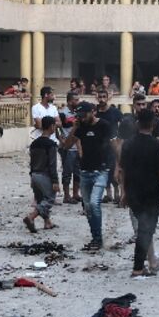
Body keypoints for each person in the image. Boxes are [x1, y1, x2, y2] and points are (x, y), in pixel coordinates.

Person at [118, 108, 159, 277]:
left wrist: (123, 192)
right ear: (153, 124)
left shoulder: (128, 144)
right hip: (150, 193)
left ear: (137, 124)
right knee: (146, 231)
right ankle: (138, 268)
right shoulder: (155, 145)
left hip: (133, 192)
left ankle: (141, 265)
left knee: (144, 230)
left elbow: (123, 170)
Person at [60, 101, 112, 251]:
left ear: (93, 112)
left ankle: (98, 238)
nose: (82, 118)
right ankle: (96, 237)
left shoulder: (104, 125)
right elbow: (67, 146)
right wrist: (75, 127)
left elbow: (114, 145)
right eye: (79, 116)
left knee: (95, 203)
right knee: (88, 207)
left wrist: (118, 167)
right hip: (84, 172)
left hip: (101, 171)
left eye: (84, 115)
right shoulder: (81, 126)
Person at [23, 115, 60, 233]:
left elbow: (31, 162)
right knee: (49, 199)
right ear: (52, 127)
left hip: (34, 175)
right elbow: (52, 164)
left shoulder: (34, 144)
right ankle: (31, 217)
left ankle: (47, 222)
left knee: (40, 200)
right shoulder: (51, 144)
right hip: (45, 175)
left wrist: (31, 176)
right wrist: (55, 181)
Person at [95, 92, 122, 202]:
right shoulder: (95, 112)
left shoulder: (115, 112)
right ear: (97, 98)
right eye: (100, 97)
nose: (102, 99)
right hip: (100, 144)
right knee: (103, 168)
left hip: (113, 143)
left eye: (104, 97)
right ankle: (108, 193)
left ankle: (116, 192)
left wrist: (120, 139)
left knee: (114, 167)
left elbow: (123, 124)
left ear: (107, 98)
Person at [58, 92, 81, 203]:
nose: (78, 102)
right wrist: (60, 139)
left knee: (78, 172)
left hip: (78, 146)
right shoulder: (62, 113)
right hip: (67, 147)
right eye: (76, 100)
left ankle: (75, 194)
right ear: (69, 101)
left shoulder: (78, 113)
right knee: (67, 172)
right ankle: (66, 196)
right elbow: (57, 127)